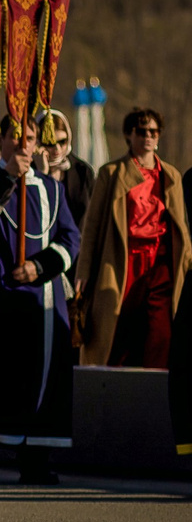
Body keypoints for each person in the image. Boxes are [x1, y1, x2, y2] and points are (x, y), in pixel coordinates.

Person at [0, 118, 78, 485]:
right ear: (2, 139)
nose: (24, 145)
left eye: (30, 139)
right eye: (16, 138)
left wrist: (40, 266)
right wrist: (8, 174)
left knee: (42, 374)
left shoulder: (52, 189)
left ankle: (35, 458)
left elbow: (70, 238)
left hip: (39, 294)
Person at [76, 107, 186, 369]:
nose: (148, 136)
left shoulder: (171, 175)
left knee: (160, 333)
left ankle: (156, 393)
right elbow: (91, 227)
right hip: (121, 262)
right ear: (129, 135)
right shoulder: (111, 173)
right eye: (141, 131)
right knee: (116, 331)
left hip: (160, 266)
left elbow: (181, 229)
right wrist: (83, 271)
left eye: (153, 131)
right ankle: (112, 392)